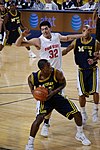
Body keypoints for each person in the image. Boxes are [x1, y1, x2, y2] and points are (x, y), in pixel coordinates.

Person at [15, 20, 89, 137]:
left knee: (55, 100)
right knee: (47, 101)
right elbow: (18, 44)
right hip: (46, 76)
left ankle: (51, 122)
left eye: (46, 28)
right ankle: (46, 123)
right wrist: (22, 36)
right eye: (42, 29)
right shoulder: (38, 40)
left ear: (50, 28)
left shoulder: (56, 36)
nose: (45, 31)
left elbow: (68, 37)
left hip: (57, 75)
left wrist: (82, 35)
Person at [25, 59, 91, 150]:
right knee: (39, 118)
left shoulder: (56, 73)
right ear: (42, 69)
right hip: (45, 101)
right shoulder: (34, 77)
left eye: (49, 65)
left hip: (57, 97)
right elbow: (29, 81)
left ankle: (80, 134)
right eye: (47, 66)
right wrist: (32, 91)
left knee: (77, 113)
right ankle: (30, 144)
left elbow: (63, 83)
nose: (50, 67)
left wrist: (54, 92)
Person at [62, 24, 99, 125]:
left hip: (93, 70)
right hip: (81, 70)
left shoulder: (95, 43)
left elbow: (98, 55)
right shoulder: (76, 41)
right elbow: (66, 50)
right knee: (81, 94)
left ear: (90, 31)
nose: (84, 32)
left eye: (86, 30)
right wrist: (57, 54)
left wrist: (94, 59)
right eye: (83, 31)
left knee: (95, 91)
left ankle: (95, 111)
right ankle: (83, 113)